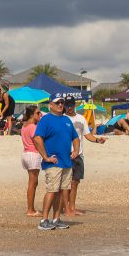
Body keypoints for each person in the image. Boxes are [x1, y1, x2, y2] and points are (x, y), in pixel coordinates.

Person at [32, 96, 79, 231]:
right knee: (52, 190)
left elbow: (75, 138)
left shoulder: (66, 120)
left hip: (66, 162)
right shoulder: (46, 120)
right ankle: (44, 219)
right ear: (50, 105)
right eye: (57, 103)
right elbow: (37, 138)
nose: (60, 105)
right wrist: (45, 156)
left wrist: (75, 151)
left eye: (62, 103)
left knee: (61, 191)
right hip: (53, 162)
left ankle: (56, 218)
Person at [63, 98, 107, 216]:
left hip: (78, 154)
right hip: (65, 154)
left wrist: (98, 140)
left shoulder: (81, 118)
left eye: (71, 105)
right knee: (65, 183)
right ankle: (65, 208)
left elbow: (87, 135)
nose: (69, 107)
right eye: (67, 105)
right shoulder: (61, 118)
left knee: (75, 182)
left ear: (74, 105)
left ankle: (72, 207)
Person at [20, 105, 43, 217]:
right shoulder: (33, 127)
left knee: (33, 182)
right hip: (33, 154)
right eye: (38, 113)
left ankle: (31, 208)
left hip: (26, 154)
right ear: (32, 115)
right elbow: (37, 141)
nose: (40, 115)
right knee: (32, 183)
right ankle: (30, 209)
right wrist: (45, 155)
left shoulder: (24, 126)